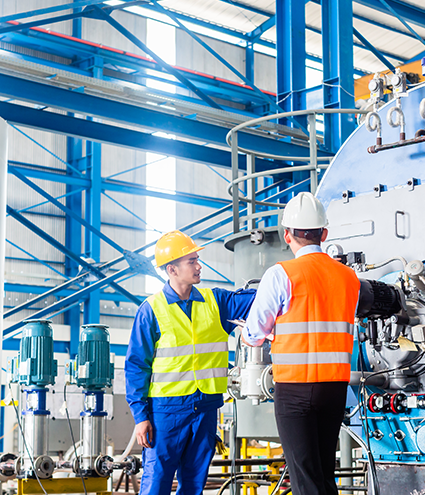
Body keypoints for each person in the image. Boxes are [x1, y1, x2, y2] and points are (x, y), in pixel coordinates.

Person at [242, 192, 360, 495]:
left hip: (295, 389)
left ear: (286, 235)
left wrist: (252, 335)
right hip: (335, 387)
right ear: (324, 233)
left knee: (305, 477)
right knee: (323, 473)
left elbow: (255, 332)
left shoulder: (281, 274)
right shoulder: (350, 278)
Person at [125, 230, 255, 495]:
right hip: (165, 412)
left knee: (194, 484)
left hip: (206, 409)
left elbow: (257, 301)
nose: (199, 266)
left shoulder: (215, 301)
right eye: (192, 261)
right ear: (172, 269)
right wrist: (141, 417)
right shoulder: (151, 310)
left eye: (198, 259)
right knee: (156, 482)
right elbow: (136, 366)